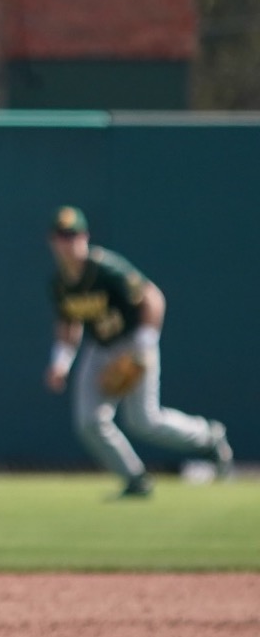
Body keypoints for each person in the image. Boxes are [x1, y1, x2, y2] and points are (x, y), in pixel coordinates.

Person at [43, 205, 232, 498]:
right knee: (89, 422)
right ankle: (135, 479)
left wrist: (144, 345)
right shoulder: (59, 284)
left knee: (144, 421)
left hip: (133, 342)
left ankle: (209, 437)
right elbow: (69, 324)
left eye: (74, 235)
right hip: (100, 348)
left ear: (85, 237)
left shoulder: (105, 268)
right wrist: (61, 362)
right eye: (62, 236)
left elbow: (152, 297)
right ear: (52, 241)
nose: (68, 242)